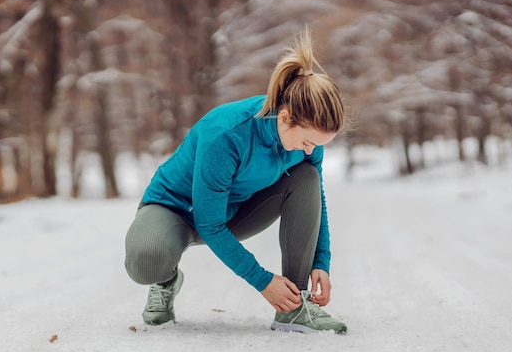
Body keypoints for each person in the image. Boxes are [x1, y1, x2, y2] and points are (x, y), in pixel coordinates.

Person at [124, 27, 349, 334]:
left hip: (233, 212)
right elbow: (207, 222)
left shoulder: (306, 142)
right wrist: (262, 280)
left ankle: (294, 307)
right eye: (308, 141)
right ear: (285, 117)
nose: (311, 149)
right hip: (173, 209)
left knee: (306, 177)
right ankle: (165, 280)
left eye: (318, 144)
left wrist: (320, 261)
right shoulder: (227, 133)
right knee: (146, 262)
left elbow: (315, 198)